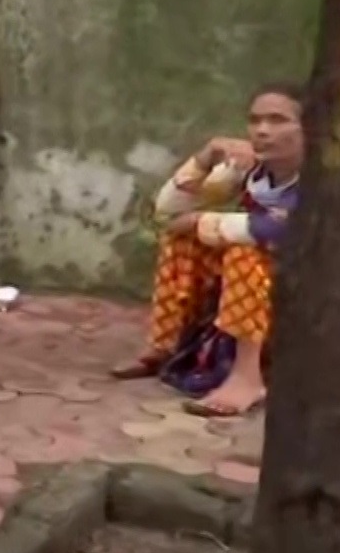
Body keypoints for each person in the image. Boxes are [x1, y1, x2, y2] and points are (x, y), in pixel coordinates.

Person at [112, 84, 304, 418]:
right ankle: (164, 345)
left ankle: (247, 377)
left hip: (319, 281)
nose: (262, 131)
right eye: (255, 120)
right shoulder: (251, 171)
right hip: (265, 280)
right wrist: (205, 157)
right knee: (184, 242)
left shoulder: (328, 177)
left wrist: (203, 219)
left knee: (242, 251)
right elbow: (166, 215)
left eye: (278, 120)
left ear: (309, 128)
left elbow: (280, 230)